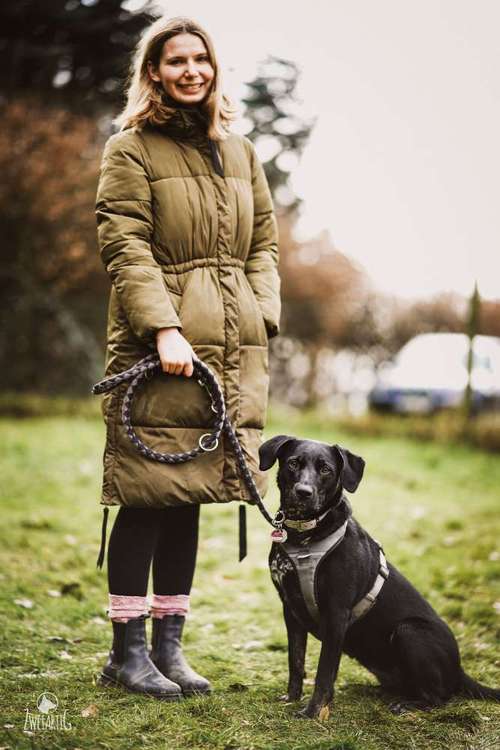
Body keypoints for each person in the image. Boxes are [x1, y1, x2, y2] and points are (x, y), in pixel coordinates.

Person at [94, 16, 281, 699]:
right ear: (154, 72)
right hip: (162, 347)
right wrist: (164, 327)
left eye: (201, 58)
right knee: (147, 494)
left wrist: (263, 313)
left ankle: (170, 650)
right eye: (176, 60)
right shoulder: (130, 149)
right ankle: (126, 652)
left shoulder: (241, 152)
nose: (191, 70)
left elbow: (264, 244)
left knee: (193, 495)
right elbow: (126, 246)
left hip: (233, 348)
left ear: (213, 68)